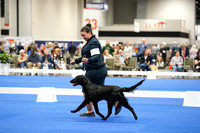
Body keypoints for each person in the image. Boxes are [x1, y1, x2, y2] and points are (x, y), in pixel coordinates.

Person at [70, 24, 121, 117]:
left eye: (84, 35)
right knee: (102, 92)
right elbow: (87, 56)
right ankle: (116, 102)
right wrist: (76, 60)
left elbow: (96, 56)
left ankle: (90, 111)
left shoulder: (93, 43)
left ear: (89, 33)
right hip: (100, 70)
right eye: (81, 35)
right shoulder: (91, 41)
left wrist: (89, 60)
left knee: (86, 91)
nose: (83, 37)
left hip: (94, 71)